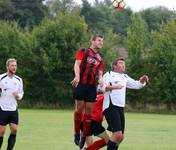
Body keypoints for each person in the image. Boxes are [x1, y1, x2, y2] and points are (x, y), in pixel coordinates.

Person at [102, 58, 149, 150]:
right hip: (110, 106)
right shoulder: (108, 75)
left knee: (120, 137)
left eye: (124, 63)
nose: (123, 65)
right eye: (120, 63)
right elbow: (101, 88)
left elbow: (137, 85)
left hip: (120, 108)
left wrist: (142, 80)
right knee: (117, 135)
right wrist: (114, 87)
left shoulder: (125, 76)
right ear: (114, 66)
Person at [71, 34, 104, 148]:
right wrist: (77, 76)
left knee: (89, 113)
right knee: (79, 109)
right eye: (99, 40)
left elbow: (100, 73)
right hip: (81, 84)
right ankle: (76, 133)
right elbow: (77, 64)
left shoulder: (100, 58)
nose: (101, 43)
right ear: (93, 41)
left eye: (102, 41)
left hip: (91, 87)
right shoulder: (84, 51)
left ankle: (84, 136)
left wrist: (100, 80)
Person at [0, 58, 24, 150]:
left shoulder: (19, 80)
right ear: (7, 67)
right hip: (2, 108)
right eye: (12, 65)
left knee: (14, 130)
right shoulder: (1, 78)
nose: (14, 67)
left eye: (15, 66)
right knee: (1, 132)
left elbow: (21, 94)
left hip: (13, 109)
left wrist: (17, 95)